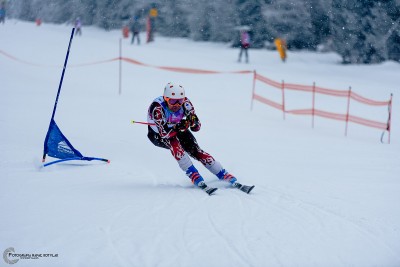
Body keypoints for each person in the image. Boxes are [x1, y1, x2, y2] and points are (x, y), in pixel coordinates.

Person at [147, 82, 255, 195]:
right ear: (165, 98)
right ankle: (194, 174)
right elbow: (164, 134)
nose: (177, 105)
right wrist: (179, 126)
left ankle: (222, 173)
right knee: (176, 146)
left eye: (180, 101)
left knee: (196, 150)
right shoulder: (157, 108)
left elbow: (197, 127)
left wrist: (192, 122)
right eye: (173, 101)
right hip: (158, 135)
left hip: (176, 129)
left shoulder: (186, 104)